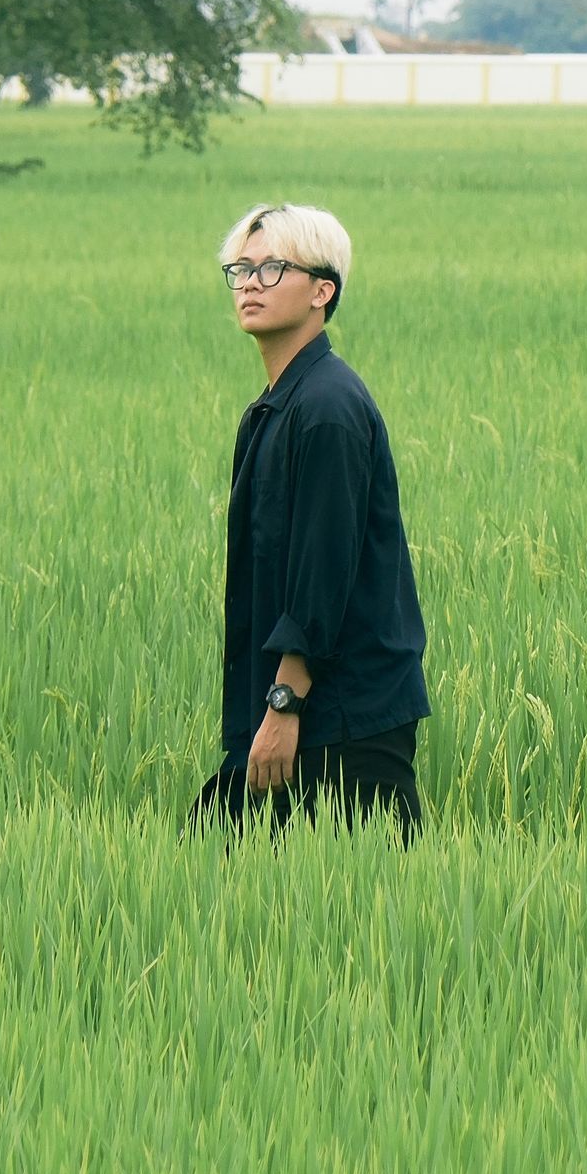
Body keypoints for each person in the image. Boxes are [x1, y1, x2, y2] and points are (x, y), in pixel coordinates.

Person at [186, 201, 429, 841]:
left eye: (271, 270)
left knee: (366, 917)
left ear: (323, 291)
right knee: (214, 868)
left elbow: (323, 574)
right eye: (240, 269)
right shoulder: (279, 406)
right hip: (300, 711)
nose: (248, 284)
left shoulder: (326, 409)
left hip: (340, 719)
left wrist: (284, 705)